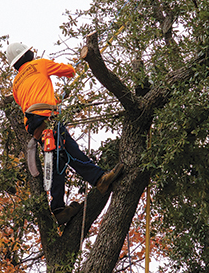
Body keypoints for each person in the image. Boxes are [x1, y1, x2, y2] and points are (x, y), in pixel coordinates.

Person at [7, 42, 123, 225]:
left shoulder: (15, 84)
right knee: (69, 151)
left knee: (58, 159)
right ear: (26, 55)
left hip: (36, 127)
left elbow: (28, 98)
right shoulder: (40, 64)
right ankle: (99, 179)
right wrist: (74, 67)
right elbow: (69, 71)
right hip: (48, 119)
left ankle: (58, 208)